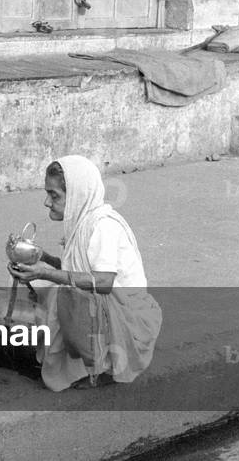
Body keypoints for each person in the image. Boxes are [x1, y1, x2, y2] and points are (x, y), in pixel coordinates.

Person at [9, 155, 162, 391]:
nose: (47, 202)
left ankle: (107, 365)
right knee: (57, 293)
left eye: (54, 195)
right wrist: (40, 259)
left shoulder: (102, 226)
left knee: (62, 294)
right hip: (108, 302)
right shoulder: (83, 221)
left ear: (77, 196)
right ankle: (85, 358)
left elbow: (103, 283)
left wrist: (45, 273)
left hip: (127, 315)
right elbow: (77, 270)